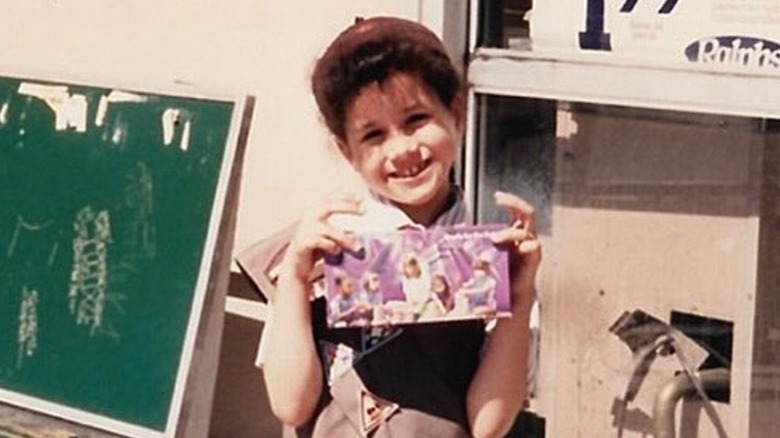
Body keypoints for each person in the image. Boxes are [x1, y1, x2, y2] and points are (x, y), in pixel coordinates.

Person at [236, 16, 541, 438]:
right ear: (348, 152)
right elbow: (290, 403)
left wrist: (520, 298)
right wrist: (293, 283)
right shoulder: (326, 246)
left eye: (416, 120)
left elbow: (488, 425)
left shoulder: (491, 255)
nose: (402, 150)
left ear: (455, 112)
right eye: (374, 135)